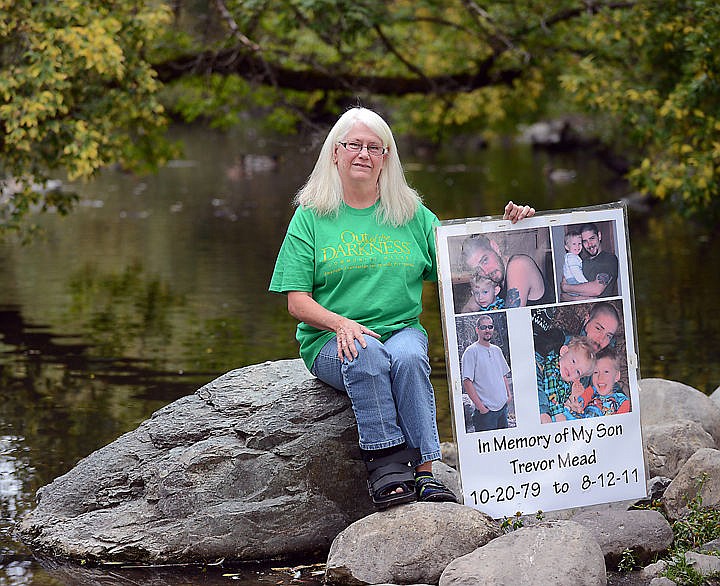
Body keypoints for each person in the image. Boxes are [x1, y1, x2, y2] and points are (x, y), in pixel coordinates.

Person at [269, 106, 535, 509]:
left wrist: (509, 227)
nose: (363, 154)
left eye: (374, 147)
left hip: (400, 329)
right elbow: (297, 301)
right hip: (330, 338)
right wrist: (341, 323)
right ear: (335, 152)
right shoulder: (311, 217)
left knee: (409, 356)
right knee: (366, 353)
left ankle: (426, 471)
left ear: (386, 157)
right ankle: (386, 463)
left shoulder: (410, 214)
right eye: (353, 145)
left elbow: (463, 265)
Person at [460, 232, 549, 308]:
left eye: (485, 260)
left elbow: (513, 318)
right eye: (478, 269)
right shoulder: (493, 277)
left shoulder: (518, 265)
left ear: (495, 247)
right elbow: (468, 309)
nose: (486, 272)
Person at [461, 315, 512, 431]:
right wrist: (481, 408)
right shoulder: (471, 352)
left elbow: (503, 374)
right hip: (485, 415)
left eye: (490, 327)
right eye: (483, 327)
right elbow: (467, 382)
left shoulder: (497, 350)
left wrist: (508, 396)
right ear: (477, 329)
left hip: (502, 410)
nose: (487, 330)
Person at [537, 336, 595, 424]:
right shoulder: (552, 367)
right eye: (573, 361)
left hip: (555, 411)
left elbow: (562, 399)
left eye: (578, 371)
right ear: (564, 352)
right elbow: (551, 391)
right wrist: (558, 414)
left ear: (577, 378)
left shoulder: (567, 383)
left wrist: (570, 405)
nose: (572, 369)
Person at [565, 347, 630, 418]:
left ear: (617, 376)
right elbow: (580, 403)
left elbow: (621, 422)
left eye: (606, 372)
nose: (600, 377)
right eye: (596, 372)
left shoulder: (622, 401)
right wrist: (576, 402)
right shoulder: (592, 390)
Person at [560, 223, 618, 300]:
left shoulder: (609, 259)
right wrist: (573, 295)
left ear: (599, 236)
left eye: (592, 238)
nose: (589, 244)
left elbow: (596, 290)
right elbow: (563, 296)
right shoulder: (580, 261)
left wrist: (566, 288)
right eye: (584, 241)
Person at [562, 229, 587, 294]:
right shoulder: (572, 257)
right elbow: (576, 272)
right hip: (574, 281)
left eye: (579, 243)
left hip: (573, 280)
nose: (577, 246)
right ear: (567, 247)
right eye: (574, 244)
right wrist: (585, 282)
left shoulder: (572, 256)